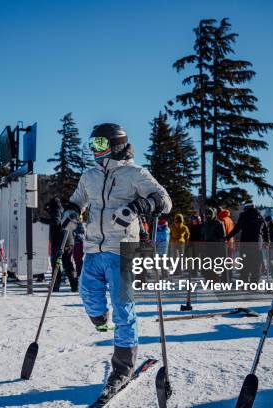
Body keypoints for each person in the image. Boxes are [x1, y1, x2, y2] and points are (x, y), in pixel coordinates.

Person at [61, 123, 172, 396]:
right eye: (92, 145)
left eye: (99, 145)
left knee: (124, 308)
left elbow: (164, 201)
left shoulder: (135, 174)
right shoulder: (89, 176)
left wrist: (138, 206)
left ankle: (122, 367)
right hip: (93, 248)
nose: (94, 150)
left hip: (121, 249)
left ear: (116, 145)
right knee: (88, 293)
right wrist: (71, 212)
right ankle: (101, 319)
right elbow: (77, 200)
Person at [225, 200, 268, 282]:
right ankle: (254, 283)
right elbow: (265, 229)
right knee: (256, 264)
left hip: (246, 243)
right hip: (257, 244)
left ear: (247, 208)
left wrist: (228, 237)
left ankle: (244, 281)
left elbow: (237, 228)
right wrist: (267, 240)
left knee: (245, 262)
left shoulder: (244, 216)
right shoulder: (260, 216)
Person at [41, 198, 78, 292]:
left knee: (56, 264)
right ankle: (75, 285)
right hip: (68, 241)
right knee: (68, 265)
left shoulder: (56, 211)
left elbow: (56, 221)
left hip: (59, 242)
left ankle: (55, 285)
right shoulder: (63, 210)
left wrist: (40, 219)